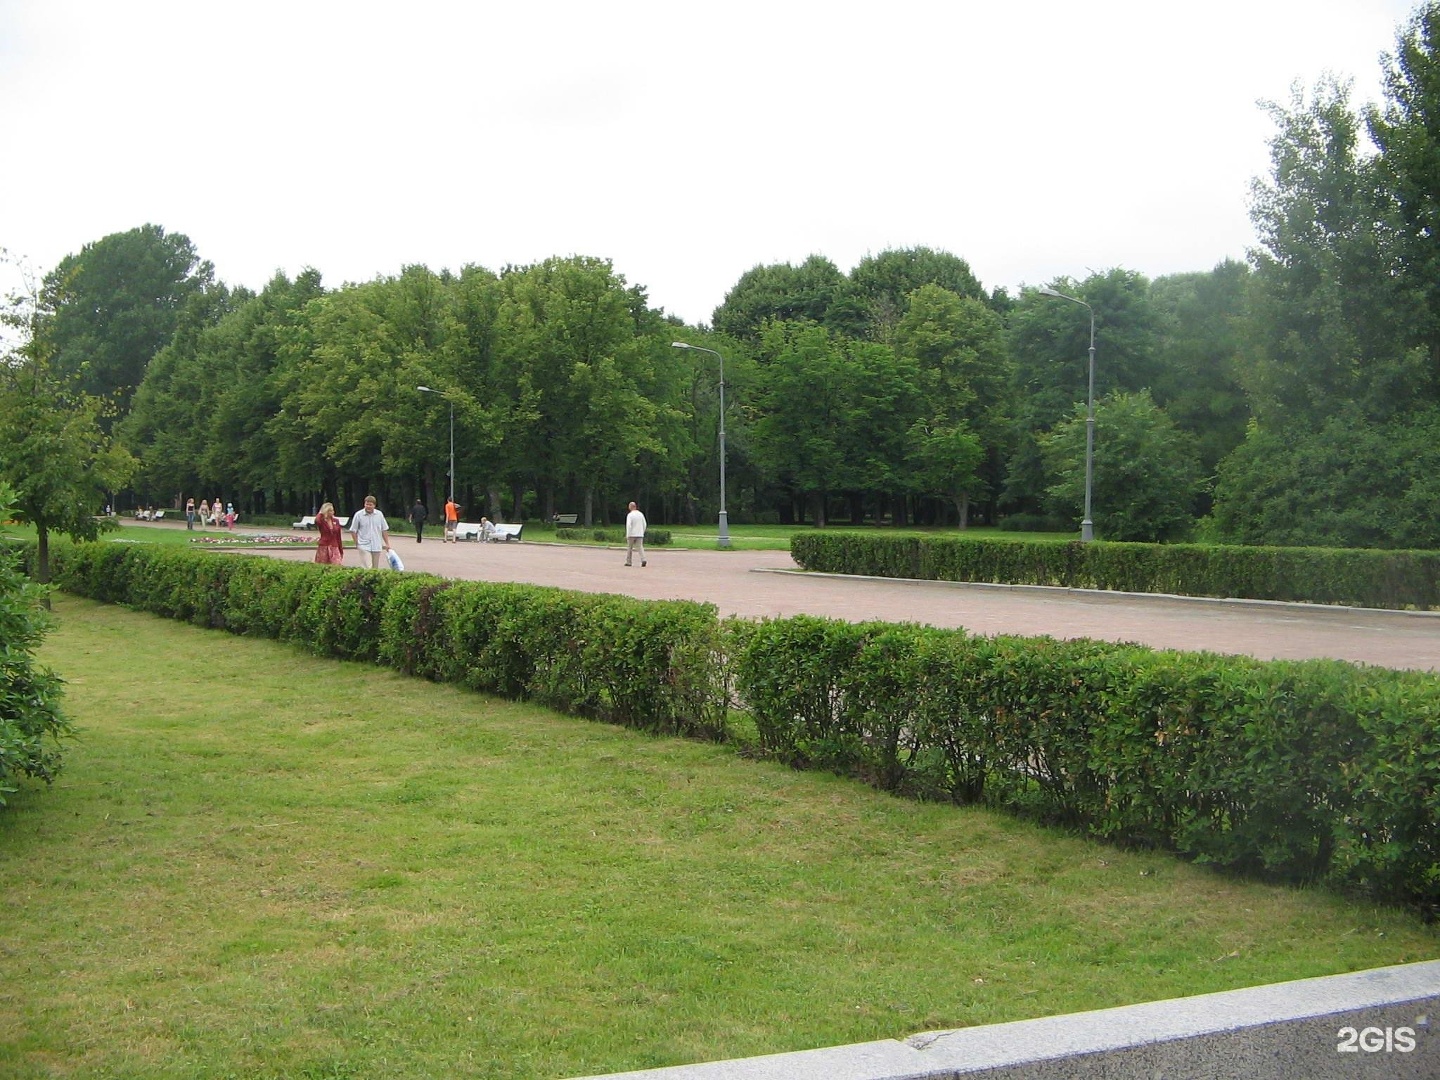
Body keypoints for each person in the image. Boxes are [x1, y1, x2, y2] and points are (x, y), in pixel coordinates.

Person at [349, 495, 392, 569]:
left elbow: (384, 529)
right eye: (366, 504)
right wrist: (357, 543)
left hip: (376, 545)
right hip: (364, 545)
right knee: (368, 567)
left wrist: (387, 543)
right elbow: (353, 530)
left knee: (375, 568)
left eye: (370, 505)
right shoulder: (358, 515)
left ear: (374, 505)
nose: (368, 506)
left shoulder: (379, 514)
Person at [624, 501, 647, 567]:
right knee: (640, 547)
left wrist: (627, 534)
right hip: (640, 534)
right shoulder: (641, 514)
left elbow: (628, 525)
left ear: (630, 507)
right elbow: (644, 524)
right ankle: (643, 559)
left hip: (631, 534)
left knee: (629, 548)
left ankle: (629, 562)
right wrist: (642, 532)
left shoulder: (630, 515)